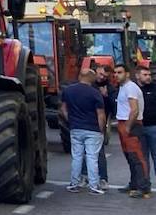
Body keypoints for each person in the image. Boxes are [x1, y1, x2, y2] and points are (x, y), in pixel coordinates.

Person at [61, 67, 107, 195]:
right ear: (91, 78)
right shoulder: (95, 93)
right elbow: (101, 114)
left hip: (76, 128)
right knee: (92, 157)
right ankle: (94, 186)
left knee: (77, 157)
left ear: (80, 76)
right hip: (92, 129)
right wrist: (101, 130)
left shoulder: (68, 91)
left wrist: (70, 120)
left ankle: (74, 184)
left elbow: (63, 109)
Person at [114, 65, 150, 198]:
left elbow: (134, 109)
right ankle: (134, 184)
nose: (116, 75)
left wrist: (128, 126)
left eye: (120, 72)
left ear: (127, 74)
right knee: (130, 157)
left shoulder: (130, 87)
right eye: (115, 72)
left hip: (131, 124)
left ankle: (143, 187)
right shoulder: (124, 87)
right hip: (124, 123)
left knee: (137, 157)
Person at [138, 66, 156, 179]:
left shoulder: (154, 88)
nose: (148, 77)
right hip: (139, 127)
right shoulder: (134, 89)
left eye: (149, 75)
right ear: (137, 75)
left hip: (153, 127)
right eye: (145, 75)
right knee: (142, 158)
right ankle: (144, 183)